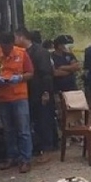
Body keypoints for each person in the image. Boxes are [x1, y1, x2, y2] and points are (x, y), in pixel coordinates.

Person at [0, 32, 35, 173]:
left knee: (23, 130)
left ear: (13, 44)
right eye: (4, 47)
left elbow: (30, 73)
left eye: (8, 47)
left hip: (19, 97)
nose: (6, 50)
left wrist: (19, 78)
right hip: (1, 97)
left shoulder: (22, 53)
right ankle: (11, 157)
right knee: (8, 130)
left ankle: (25, 160)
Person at [14, 28, 55, 163]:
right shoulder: (21, 53)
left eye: (15, 37)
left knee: (44, 121)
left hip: (41, 92)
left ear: (21, 37)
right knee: (34, 123)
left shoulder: (40, 52)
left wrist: (46, 92)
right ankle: (38, 149)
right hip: (28, 94)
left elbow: (47, 75)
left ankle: (48, 150)